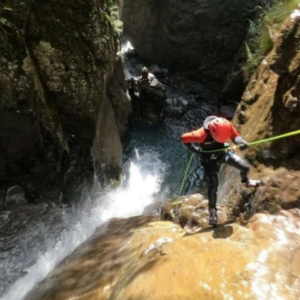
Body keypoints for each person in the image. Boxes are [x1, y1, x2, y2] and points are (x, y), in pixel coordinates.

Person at [181, 116, 260, 226]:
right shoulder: (201, 135)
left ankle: (246, 181)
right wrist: (195, 150)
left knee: (245, 167)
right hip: (208, 159)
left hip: (223, 153)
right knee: (213, 184)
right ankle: (212, 212)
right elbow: (184, 138)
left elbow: (234, 135)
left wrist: (240, 141)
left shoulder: (226, 126)